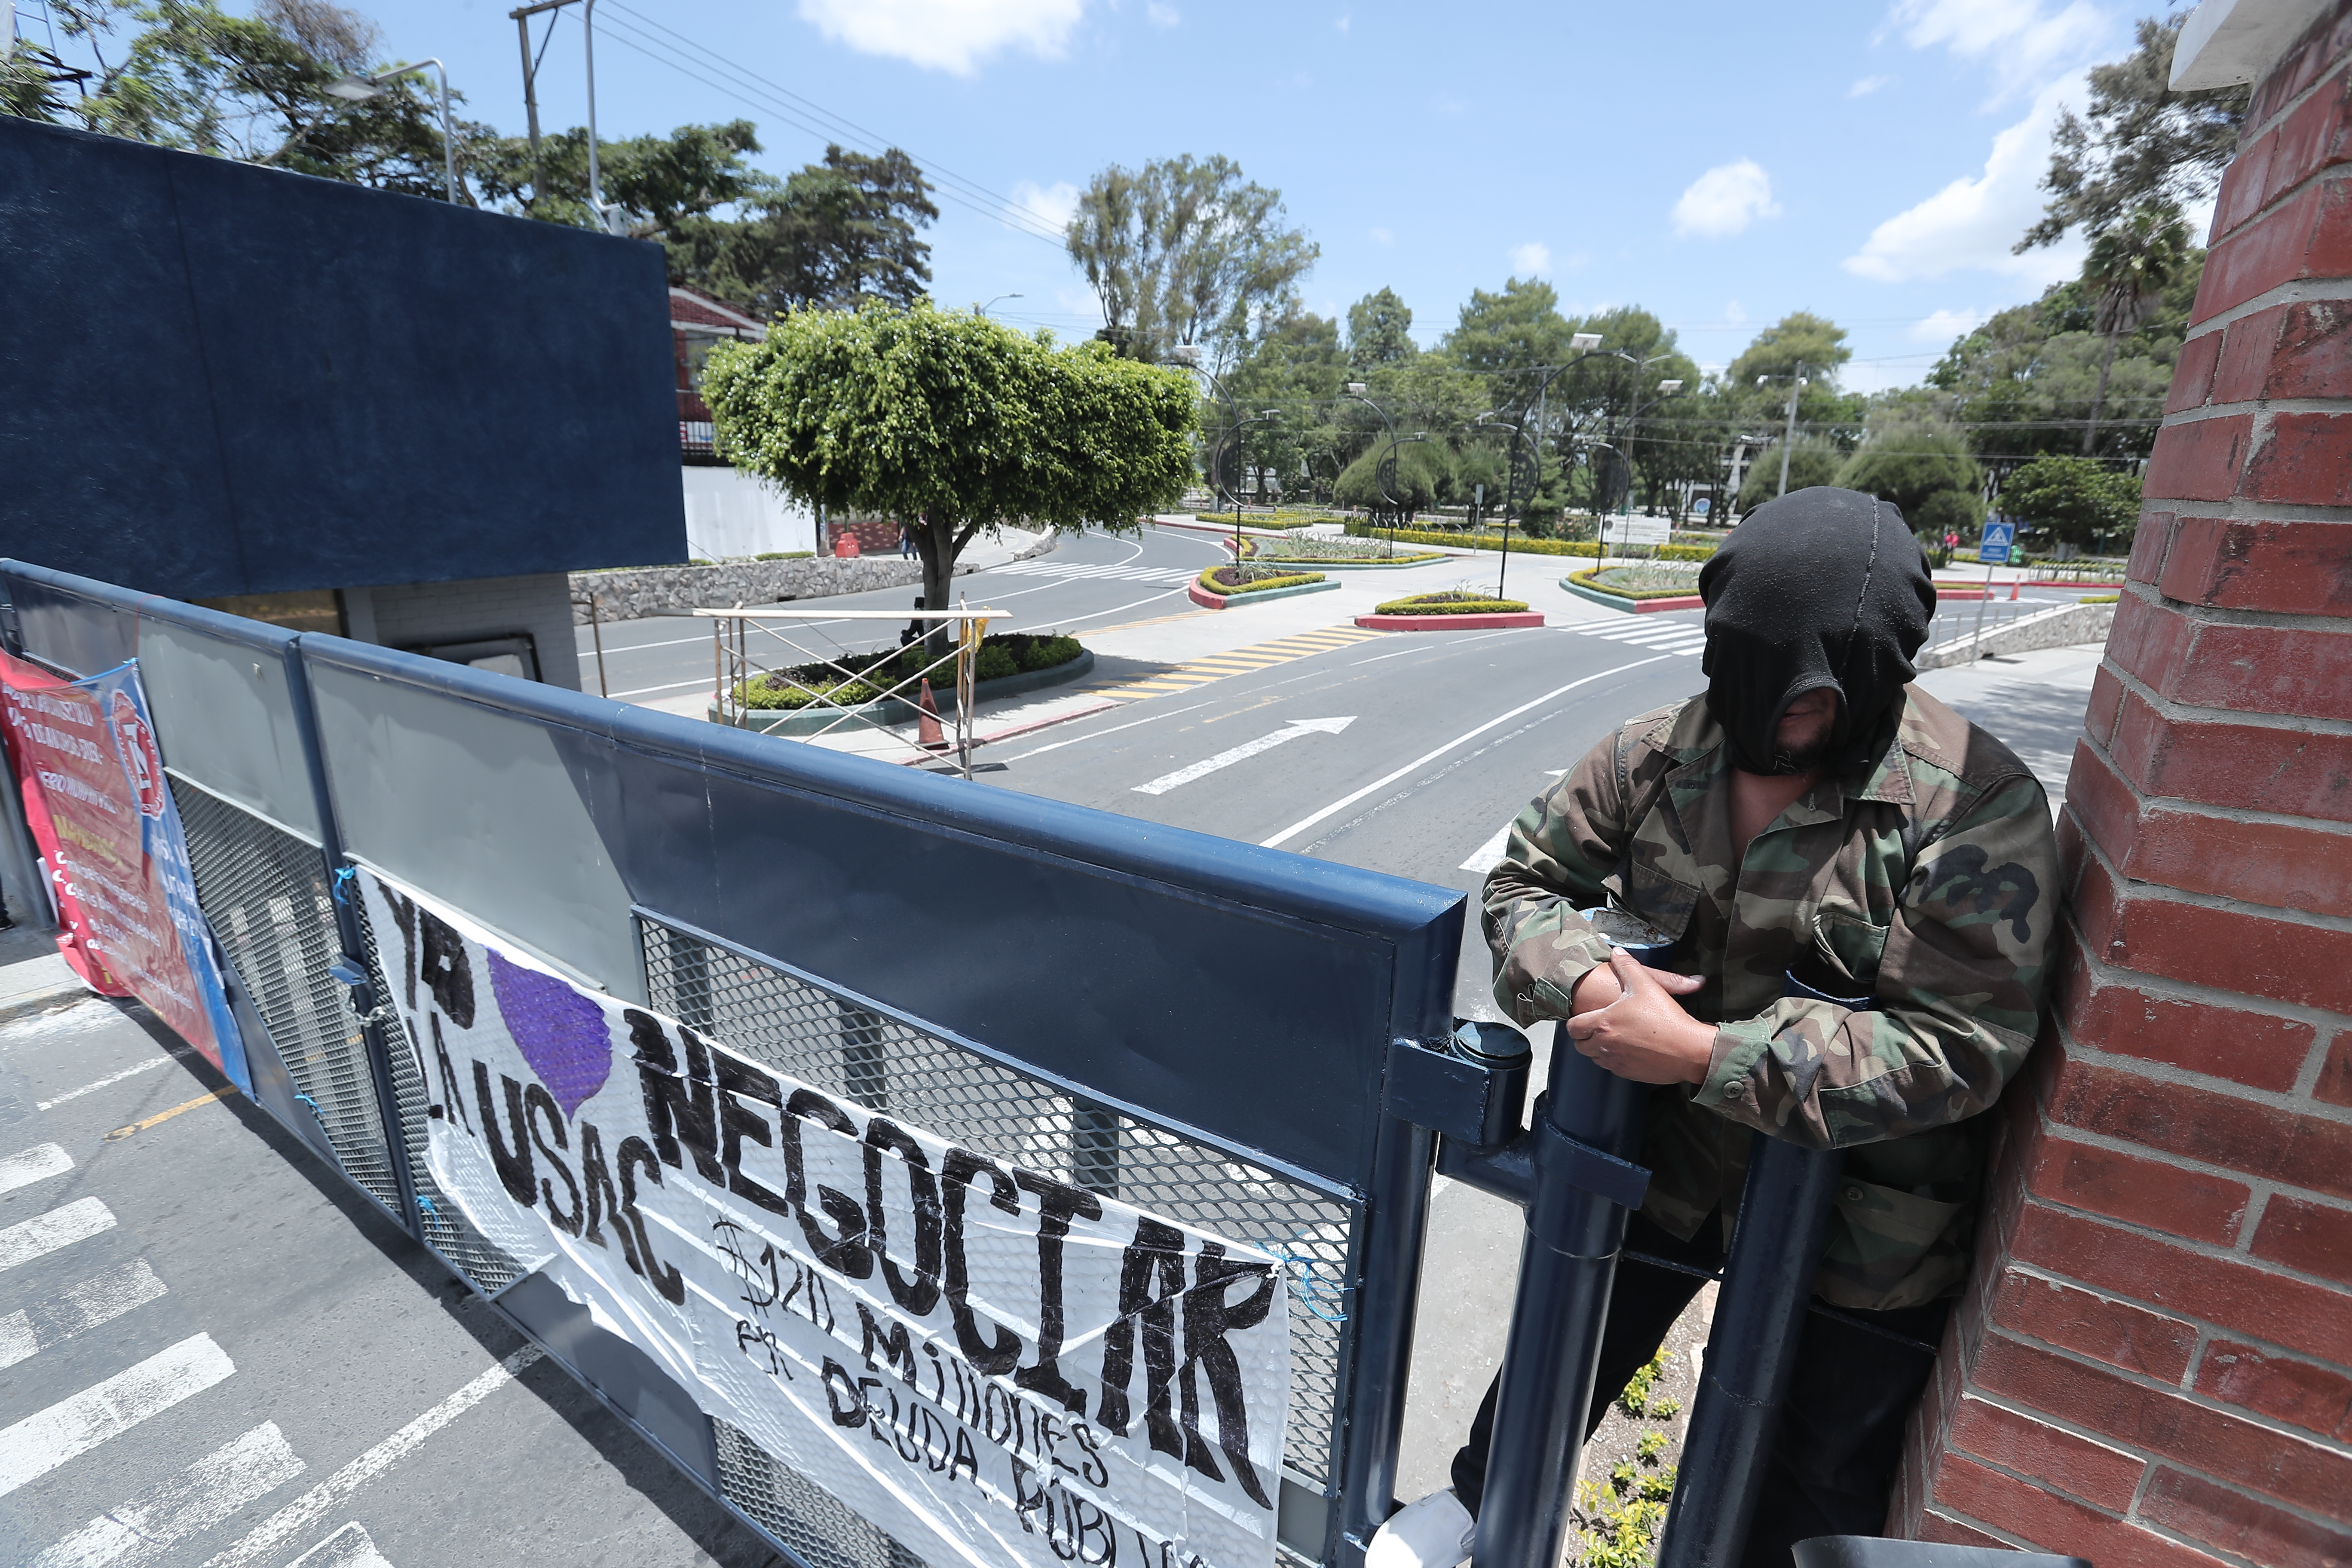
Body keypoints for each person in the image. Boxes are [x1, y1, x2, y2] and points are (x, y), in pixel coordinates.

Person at [1369, 486, 2059, 1568]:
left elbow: (1961, 1048)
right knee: (1556, 1364)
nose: (1765, 720)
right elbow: (1523, 885)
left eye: (1804, 703)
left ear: (1875, 678)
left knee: (1806, 1504)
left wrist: (1701, 1053)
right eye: (1744, 682)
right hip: (1663, 1169)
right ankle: (1476, 1510)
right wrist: (1589, 983)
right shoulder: (1655, 755)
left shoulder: (1973, 806)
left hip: (1859, 1235)